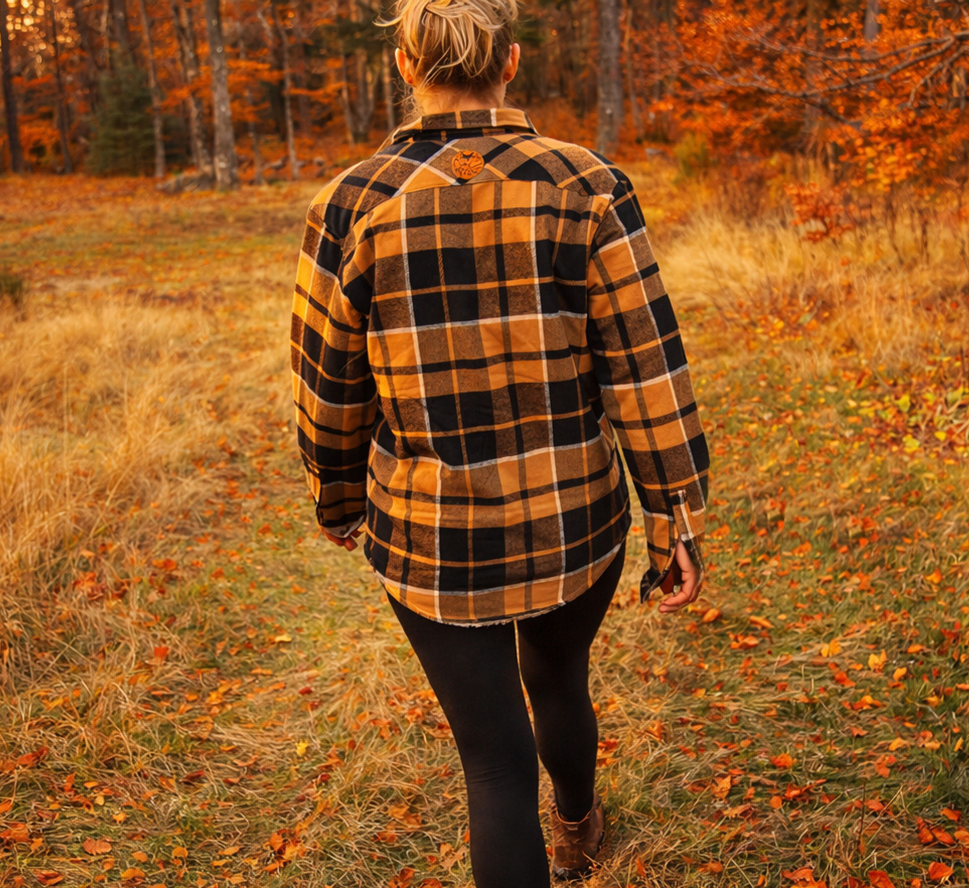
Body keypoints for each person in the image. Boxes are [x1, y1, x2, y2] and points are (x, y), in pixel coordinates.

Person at [290, 1, 709, 883]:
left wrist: (335, 499)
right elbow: (646, 368)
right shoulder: (589, 184)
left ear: (406, 66)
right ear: (510, 62)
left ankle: (566, 820)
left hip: (433, 538)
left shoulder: (351, 203)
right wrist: (675, 517)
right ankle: (579, 823)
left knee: (493, 762)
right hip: (575, 519)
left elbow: (329, 384)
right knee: (559, 680)